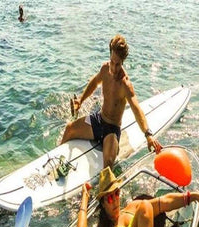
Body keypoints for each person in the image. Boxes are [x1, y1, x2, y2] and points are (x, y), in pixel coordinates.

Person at [60, 34, 162, 170]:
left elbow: (136, 109)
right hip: (98, 120)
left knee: (108, 164)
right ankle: (58, 159)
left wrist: (148, 135)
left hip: (111, 130)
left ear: (123, 61)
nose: (113, 68)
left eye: (117, 64)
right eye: (112, 62)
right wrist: (80, 100)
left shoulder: (125, 85)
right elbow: (94, 82)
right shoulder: (105, 69)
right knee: (69, 129)